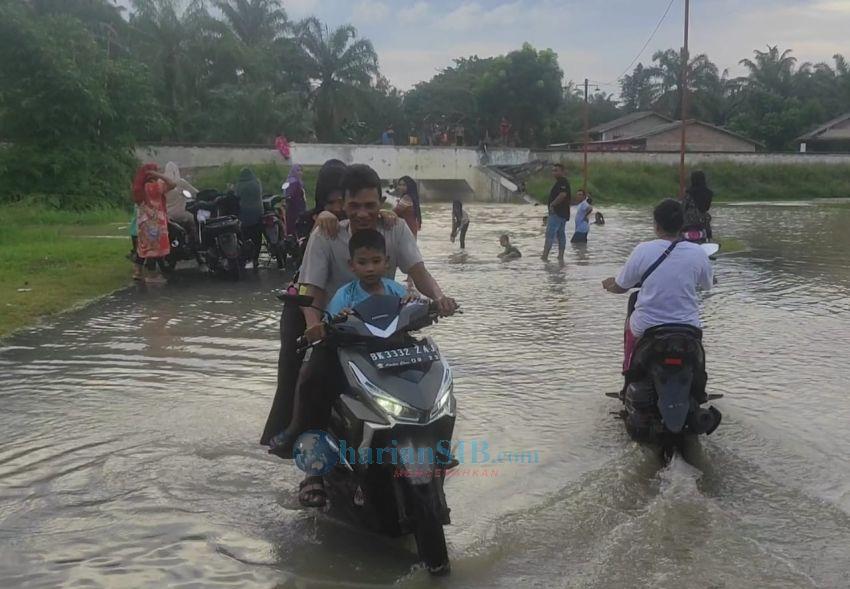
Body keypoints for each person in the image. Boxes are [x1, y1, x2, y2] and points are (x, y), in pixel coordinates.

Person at [264, 165, 457, 506]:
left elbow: (418, 272)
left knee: (429, 371)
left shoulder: (395, 229)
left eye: (370, 205)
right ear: (343, 204)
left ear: (381, 201)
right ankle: (314, 470)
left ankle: (435, 445)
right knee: (314, 379)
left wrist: (439, 299)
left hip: (388, 330)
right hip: (338, 333)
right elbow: (312, 290)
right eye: (355, 206)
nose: (363, 214)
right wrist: (314, 326)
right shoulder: (326, 234)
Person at [602, 198, 713, 374]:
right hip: (687, 326)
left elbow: (621, 286)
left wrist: (610, 285)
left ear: (656, 225)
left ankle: (628, 370)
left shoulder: (642, 250)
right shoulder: (698, 252)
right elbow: (707, 285)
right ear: (681, 224)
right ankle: (699, 378)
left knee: (630, 324)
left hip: (647, 326)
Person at [325, 229, 411, 317]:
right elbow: (328, 323)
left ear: (386, 262)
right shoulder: (345, 295)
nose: (370, 269)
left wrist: (412, 302)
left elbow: (411, 315)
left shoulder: (395, 290)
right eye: (362, 263)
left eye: (376, 261)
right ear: (351, 265)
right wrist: (341, 318)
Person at [132, 163, 176, 284]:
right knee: (154, 248)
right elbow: (173, 184)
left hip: (143, 220)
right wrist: (158, 175)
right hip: (156, 220)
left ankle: (137, 271)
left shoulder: (140, 187)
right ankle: (152, 275)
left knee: (144, 246)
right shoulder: (156, 186)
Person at [235, 168, 263, 268]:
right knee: (258, 237)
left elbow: (236, 196)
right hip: (258, 213)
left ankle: (246, 257)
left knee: (245, 237)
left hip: (244, 215)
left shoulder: (239, 185)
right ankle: (255, 258)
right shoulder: (257, 182)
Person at [542, 163, 571, 262]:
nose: (554, 172)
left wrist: (552, 204)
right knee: (560, 234)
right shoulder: (561, 182)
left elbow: (562, 194)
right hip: (562, 214)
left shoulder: (562, 182)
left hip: (557, 213)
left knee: (550, 234)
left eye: (556, 170)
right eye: (553, 170)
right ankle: (560, 257)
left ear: (562, 172)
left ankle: (545, 257)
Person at [683, 170, 714, 239]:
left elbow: (684, 207)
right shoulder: (709, 193)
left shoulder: (689, 192)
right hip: (703, 220)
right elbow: (707, 208)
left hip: (688, 222)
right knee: (708, 233)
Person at [284, 165, 306, 236]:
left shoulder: (291, 181)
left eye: (301, 170)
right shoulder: (294, 183)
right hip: (295, 210)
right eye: (298, 170)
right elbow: (293, 197)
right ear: (293, 172)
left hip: (290, 209)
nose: (300, 172)